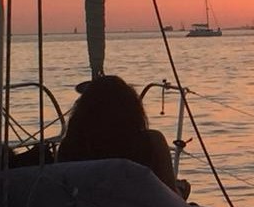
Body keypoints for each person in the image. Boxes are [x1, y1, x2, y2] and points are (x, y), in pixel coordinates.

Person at [58, 75, 188, 199]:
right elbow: (171, 199)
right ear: (133, 111)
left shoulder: (69, 148)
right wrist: (181, 191)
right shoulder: (150, 142)